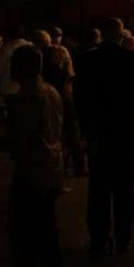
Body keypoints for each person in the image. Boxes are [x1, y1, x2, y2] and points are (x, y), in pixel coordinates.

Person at [74, 17, 134, 255]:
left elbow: (80, 99)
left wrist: (85, 129)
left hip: (99, 131)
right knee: (124, 187)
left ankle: (99, 237)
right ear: (121, 34)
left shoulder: (87, 60)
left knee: (99, 187)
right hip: (126, 130)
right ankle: (123, 237)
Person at [7, 44, 64, 267]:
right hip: (51, 166)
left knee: (27, 231)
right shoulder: (50, 91)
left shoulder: (30, 96)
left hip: (33, 169)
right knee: (46, 227)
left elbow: (22, 136)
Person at [37, 28, 83, 181]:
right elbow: (70, 74)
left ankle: (57, 167)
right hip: (64, 95)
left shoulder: (39, 54)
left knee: (53, 132)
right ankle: (78, 164)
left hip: (48, 96)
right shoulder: (61, 52)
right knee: (71, 131)